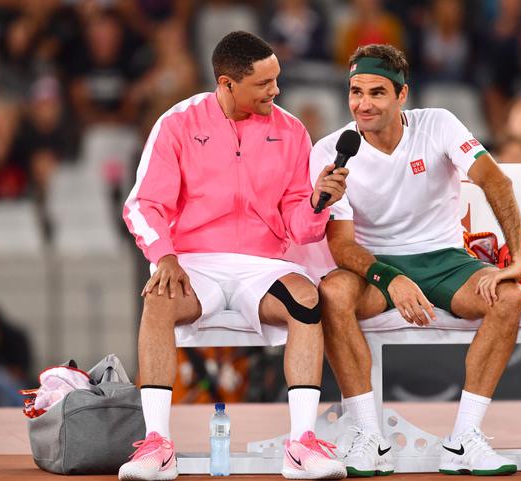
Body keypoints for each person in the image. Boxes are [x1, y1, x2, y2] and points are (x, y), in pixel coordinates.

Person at [121, 31, 349, 481]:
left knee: (306, 299)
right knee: (157, 299)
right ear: (227, 84)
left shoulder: (291, 130)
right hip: (193, 262)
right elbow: (143, 205)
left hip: (263, 269)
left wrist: (318, 203)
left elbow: (297, 224)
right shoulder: (178, 122)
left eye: (276, 79)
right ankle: (156, 445)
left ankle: (301, 445)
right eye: (264, 83)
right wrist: (164, 256)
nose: (276, 91)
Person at [310, 44, 521, 477]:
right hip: (375, 267)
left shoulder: (439, 124)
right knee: (332, 292)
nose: (363, 104)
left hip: (447, 260)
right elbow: (343, 248)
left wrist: (517, 257)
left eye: (376, 92)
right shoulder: (332, 151)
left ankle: (464, 440)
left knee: (510, 296)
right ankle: (369, 437)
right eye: (355, 92)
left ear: (402, 95)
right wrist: (390, 279)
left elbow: (495, 182)